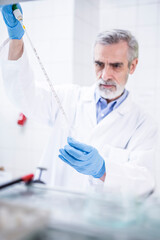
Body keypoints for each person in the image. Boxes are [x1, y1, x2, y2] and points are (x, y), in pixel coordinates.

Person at [1, 4, 158, 197]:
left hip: (101, 222)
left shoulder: (144, 124)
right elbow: (22, 94)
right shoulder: (68, 98)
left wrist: (103, 169)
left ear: (132, 66)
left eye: (116, 66)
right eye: (99, 64)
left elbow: (145, 182)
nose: (105, 75)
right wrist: (16, 40)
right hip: (54, 211)